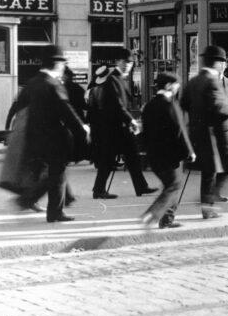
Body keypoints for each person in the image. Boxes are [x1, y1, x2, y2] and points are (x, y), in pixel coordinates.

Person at [10, 44, 89, 222]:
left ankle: (30, 200)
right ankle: (54, 212)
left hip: (34, 138)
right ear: (57, 63)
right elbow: (66, 110)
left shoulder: (32, 83)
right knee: (57, 174)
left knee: (51, 174)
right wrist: (82, 129)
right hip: (54, 138)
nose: (63, 67)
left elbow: (19, 108)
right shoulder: (54, 84)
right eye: (62, 63)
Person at [182, 45, 228, 218]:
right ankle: (209, 198)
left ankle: (207, 207)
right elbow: (218, 109)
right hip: (217, 136)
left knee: (209, 171)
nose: (223, 65)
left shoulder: (193, 81)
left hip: (199, 135)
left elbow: (183, 106)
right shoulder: (212, 81)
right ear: (217, 63)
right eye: (222, 62)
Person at [89, 47, 156, 200]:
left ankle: (141, 187)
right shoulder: (113, 80)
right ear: (117, 62)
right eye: (124, 62)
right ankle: (99, 189)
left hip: (120, 128)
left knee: (132, 157)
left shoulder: (119, 79)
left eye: (130, 63)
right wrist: (131, 120)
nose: (127, 65)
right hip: (114, 128)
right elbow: (117, 105)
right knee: (109, 159)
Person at [139, 72, 195, 229]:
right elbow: (180, 131)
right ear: (169, 85)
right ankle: (152, 215)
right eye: (177, 85)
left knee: (171, 185)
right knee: (174, 185)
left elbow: (145, 132)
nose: (178, 88)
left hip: (154, 155)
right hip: (170, 156)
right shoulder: (171, 104)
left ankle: (167, 220)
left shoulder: (148, 105)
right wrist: (190, 152)